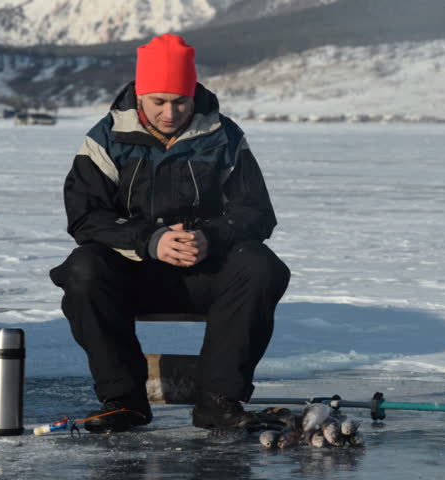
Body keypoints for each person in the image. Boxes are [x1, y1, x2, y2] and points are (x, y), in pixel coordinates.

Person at [49, 34, 290, 433]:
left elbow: (257, 213)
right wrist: (150, 242)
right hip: (134, 272)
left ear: (193, 94)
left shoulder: (225, 137)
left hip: (205, 273)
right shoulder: (105, 139)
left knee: (261, 266)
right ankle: (123, 402)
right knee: (83, 268)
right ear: (140, 94)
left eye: (180, 101)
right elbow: (85, 217)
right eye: (158, 101)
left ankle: (219, 402)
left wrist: (210, 237)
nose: (169, 112)